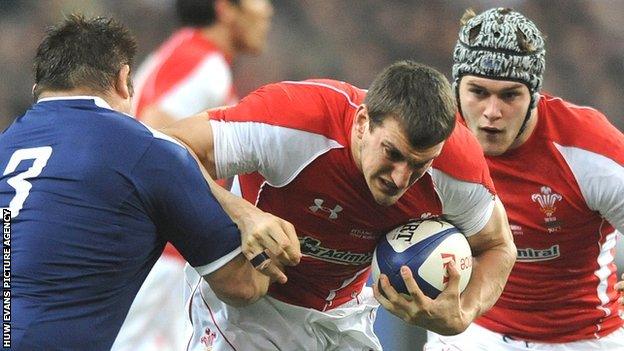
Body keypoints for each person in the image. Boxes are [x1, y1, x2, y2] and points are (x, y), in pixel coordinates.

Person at [163, 60, 517, 350]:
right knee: (245, 288)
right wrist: (242, 214)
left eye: (419, 166)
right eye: (392, 154)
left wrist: (464, 312)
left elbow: (498, 245)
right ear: (363, 122)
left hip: (344, 316)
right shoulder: (294, 120)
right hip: (250, 311)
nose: (400, 178)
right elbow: (167, 149)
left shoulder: (457, 169)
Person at [0, 14, 295, 350]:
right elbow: (243, 285)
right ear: (124, 80)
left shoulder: (6, 144)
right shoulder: (144, 148)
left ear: (38, 89)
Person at [425, 7, 624, 351]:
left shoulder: (588, 149)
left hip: (582, 337)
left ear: (534, 95)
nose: (492, 112)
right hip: (473, 330)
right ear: (456, 89)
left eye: (509, 95)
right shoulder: (431, 138)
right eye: (478, 92)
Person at [113, 1, 274, 349]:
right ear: (225, 9)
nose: (267, 11)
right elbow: (151, 138)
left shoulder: (182, 52)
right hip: (162, 252)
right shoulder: (207, 66)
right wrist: (235, 209)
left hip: (151, 246)